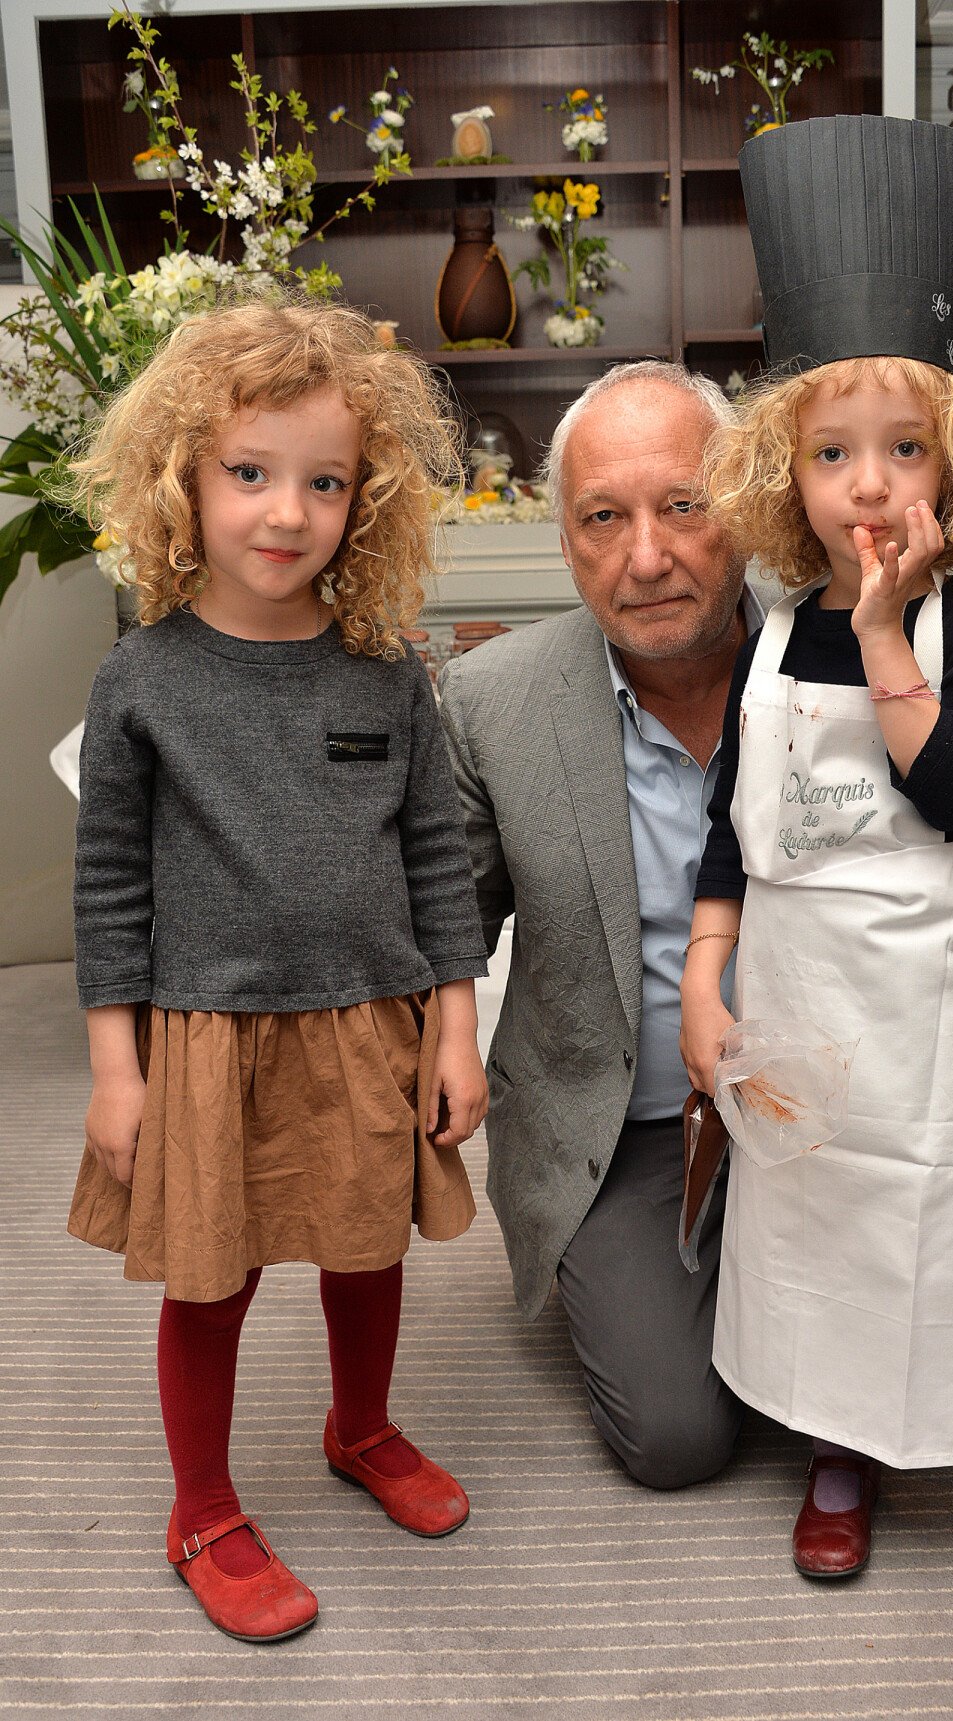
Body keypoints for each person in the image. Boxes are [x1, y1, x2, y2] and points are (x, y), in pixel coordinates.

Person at [438, 357, 953, 1501]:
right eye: (602, 518)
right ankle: (697, 1267)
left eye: (683, 507)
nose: (645, 555)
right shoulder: (493, 700)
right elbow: (442, 923)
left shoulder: (823, 636)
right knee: (678, 1438)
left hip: (874, 1045)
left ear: (748, 505)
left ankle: (909, 1294)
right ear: (565, 540)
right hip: (646, 1118)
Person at [681, 113, 953, 1620]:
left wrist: (885, 633)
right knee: (816, 1228)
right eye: (832, 452)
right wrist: (700, 975)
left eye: (905, 448)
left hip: (927, 1006)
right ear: (782, 470)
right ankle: (841, 1454)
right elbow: (733, 811)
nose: (869, 487)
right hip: (799, 1000)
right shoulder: (764, 630)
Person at [66, 299, 490, 1643]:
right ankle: (202, 1505)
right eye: (249, 473)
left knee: (368, 1252)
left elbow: (439, 856)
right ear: (183, 479)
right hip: (205, 1035)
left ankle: (359, 1427)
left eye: (324, 481)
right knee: (215, 1275)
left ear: (365, 501)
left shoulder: (386, 672)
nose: (286, 512)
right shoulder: (140, 681)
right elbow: (111, 887)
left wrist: (458, 1028)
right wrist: (115, 1069)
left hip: (372, 1022)